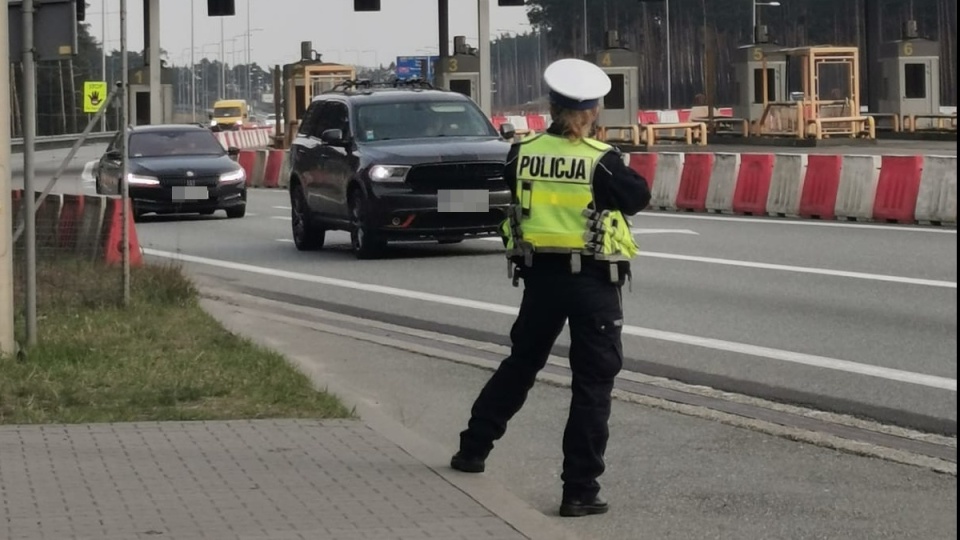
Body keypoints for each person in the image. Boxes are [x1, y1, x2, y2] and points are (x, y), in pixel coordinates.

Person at [450, 58, 652, 518]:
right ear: (594, 110)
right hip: (592, 283)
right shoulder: (602, 161)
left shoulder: (522, 152)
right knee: (592, 383)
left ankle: (473, 448)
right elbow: (636, 198)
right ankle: (579, 490)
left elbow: (511, 191)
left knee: (521, 363)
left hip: (539, 278)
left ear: (553, 105)